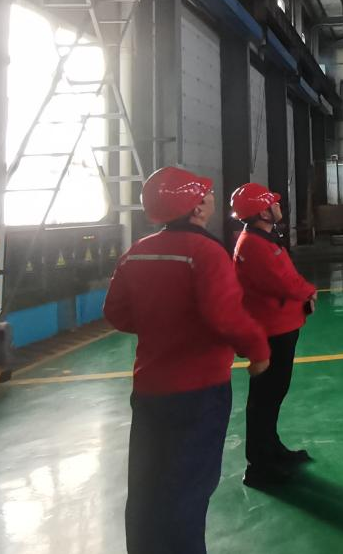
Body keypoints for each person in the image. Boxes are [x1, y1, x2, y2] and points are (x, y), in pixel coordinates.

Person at [104, 166, 271, 554]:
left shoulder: (137, 252)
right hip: (198, 390)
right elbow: (225, 315)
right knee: (188, 487)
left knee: (147, 487)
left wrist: (161, 326)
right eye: (207, 195)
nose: (212, 199)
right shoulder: (206, 253)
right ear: (196, 208)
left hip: (150, 390)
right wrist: (258, 350)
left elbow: (116, 312)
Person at [230, 182, 319, 489]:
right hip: (272, 330)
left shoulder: (263, 239)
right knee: (265, 398)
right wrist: (309, 291)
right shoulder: (255, 245)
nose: (278, 206)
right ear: (262, 213)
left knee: (272, 395)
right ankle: (259, 465)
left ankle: (271, 449)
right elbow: (283, 282)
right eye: (272, 203)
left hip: (280, 324)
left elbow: (285, 277)